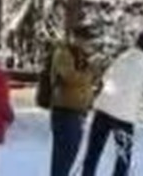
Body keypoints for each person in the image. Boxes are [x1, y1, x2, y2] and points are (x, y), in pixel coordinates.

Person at [83, 29, 143, 176]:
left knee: (93, 152)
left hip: (103, 109)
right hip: (124, 117)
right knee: (123, 157)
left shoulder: (124, 56)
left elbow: (106, 77)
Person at [44, 24, 103, 176]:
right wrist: (90, 72)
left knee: (71, 153)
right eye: (86, 40)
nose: (89, 44)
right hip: (65, 111)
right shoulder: (63, 53)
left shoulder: (81, 55)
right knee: (64, 154)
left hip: (78, 111)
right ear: (76, 39)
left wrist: (95, 74)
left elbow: (87, 80)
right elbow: (69, 77)